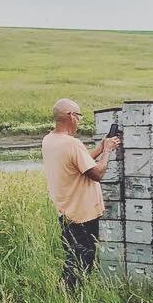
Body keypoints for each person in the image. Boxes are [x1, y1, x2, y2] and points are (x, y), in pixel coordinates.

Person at [41, 98, 119, 289]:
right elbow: (97, 174)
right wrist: (108, 151)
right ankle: (70, 298)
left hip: (65, 211)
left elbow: (79, 163)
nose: (79, 121)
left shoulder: (49, 140)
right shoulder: (72, 144)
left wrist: (100, 148)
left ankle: (66, 295)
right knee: (82, 261)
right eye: (78, 116)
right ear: (70, 116)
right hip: (82, 214)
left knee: (72, 256)